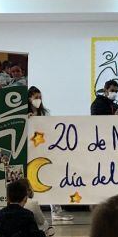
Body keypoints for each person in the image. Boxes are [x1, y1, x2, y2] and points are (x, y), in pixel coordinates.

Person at [27, 87, 71, 223]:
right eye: (35, 97)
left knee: (50, 180)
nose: (38, 100)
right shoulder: (25, 115)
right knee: (30, 184)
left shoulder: (45, 113)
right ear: (29, 99)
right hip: (31, 153)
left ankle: (56, 211)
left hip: (45, 152)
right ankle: (29, 212)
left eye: (40, 97)